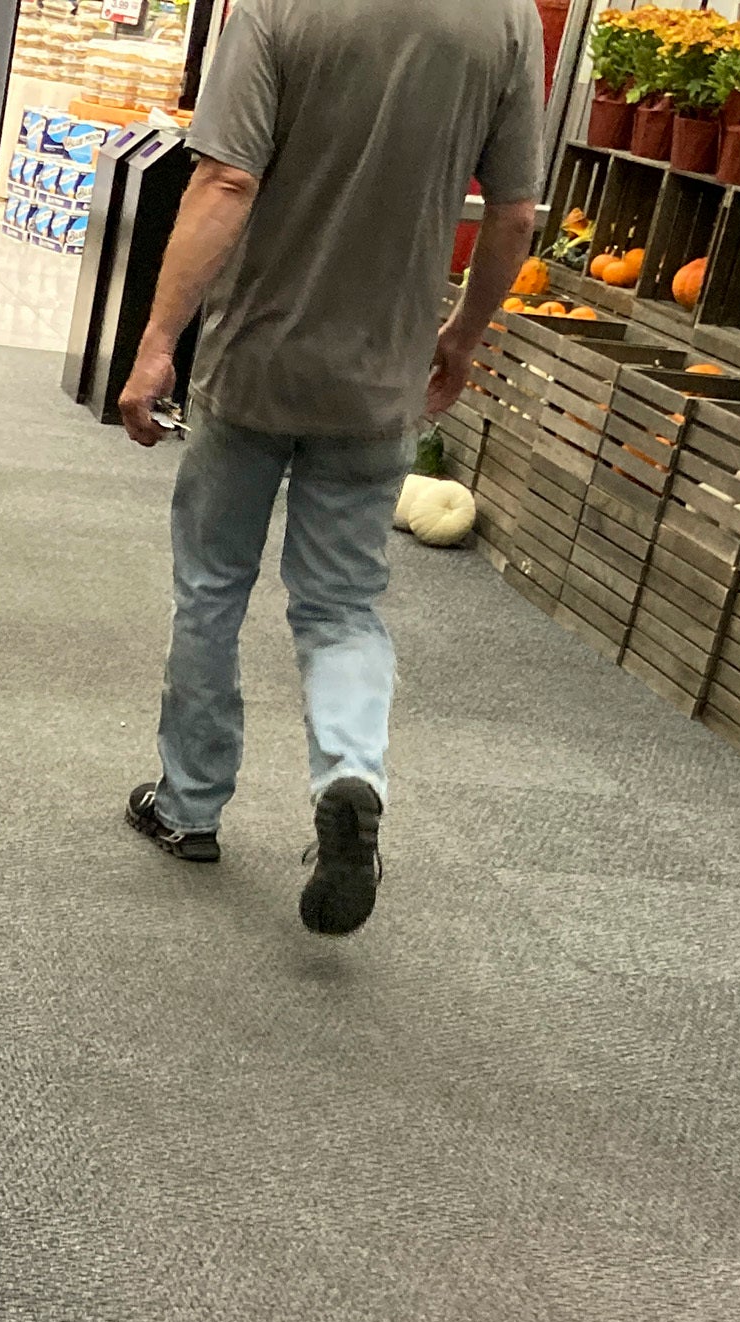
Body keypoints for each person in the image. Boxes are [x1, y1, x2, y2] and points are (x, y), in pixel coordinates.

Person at [117, 0, 544, 935]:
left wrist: (157, 344)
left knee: (212, 589)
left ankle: (189, 807)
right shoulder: (509, 21)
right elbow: (513, 214)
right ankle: (351, 772)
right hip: (380, 376)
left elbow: (225, 181)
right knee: (342, 605)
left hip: (255, 366)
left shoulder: (275, 7)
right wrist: (463, 338)